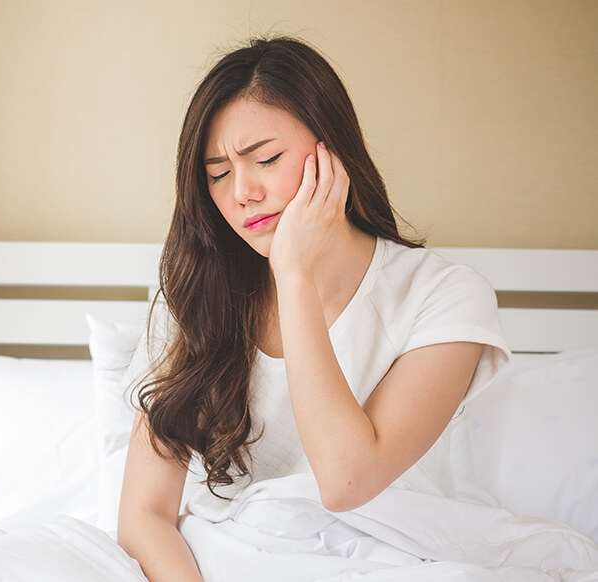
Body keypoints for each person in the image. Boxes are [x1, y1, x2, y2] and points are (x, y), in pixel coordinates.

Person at [117, 36, 512, 581]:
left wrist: (294, 274)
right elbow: (143, 516)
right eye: (218, 173)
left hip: (393, 560)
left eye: (266, 159)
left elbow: (347, 481)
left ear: (334, 151)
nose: (242, 192)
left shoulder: (443, 296)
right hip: (223, 561)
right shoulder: (196, 295)